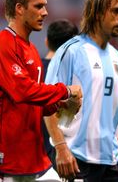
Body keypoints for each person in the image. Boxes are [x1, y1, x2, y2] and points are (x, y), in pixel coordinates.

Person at [0, 0, 82, 182]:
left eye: (45, 5)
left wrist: (59, 105)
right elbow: (22, 91)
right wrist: (66, 90)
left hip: (31, 160)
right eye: (38, 6)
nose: (45, 12)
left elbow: (34, 104)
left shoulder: (30, 49)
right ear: (19, 8)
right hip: (4, 161)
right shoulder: (3, 44)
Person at [44, 0, 118, 181]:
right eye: (116, 11)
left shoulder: (116, 57)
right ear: (97, 12)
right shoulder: (71, 51)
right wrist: (61, 148)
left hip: (110, 161)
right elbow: (47, 105)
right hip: (77, 160)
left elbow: (114, 109)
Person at [41, 19, 79, 165]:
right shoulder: (75, 78)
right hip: (66, 155)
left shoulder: (31, 71)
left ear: (46, 42)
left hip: (33, 158)